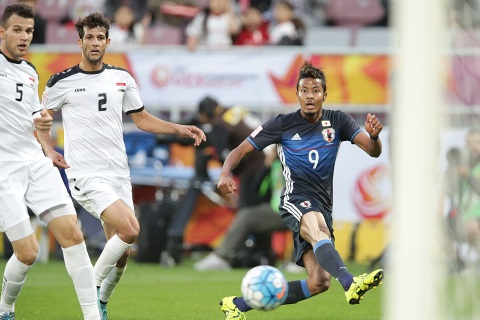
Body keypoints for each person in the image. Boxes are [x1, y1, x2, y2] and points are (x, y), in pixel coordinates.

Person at [36, 12, 206, 320]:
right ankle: (89, 296)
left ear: (108, 41)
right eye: (89, 37)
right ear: (80, 41)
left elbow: (142, 119)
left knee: (122, 253)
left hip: (118, 173)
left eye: (100, 37)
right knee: (130, 229)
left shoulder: (122, 78)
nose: (95, 43)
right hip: (85, 174)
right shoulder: (61, 82)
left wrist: (180, 128)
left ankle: (100, 302)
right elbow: (41, 121)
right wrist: (48, 149)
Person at [216, 61, 385, 319]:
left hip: (323, 204)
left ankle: (237, 305)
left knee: (319, 282)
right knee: (319, 230)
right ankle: (351, 283)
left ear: (324, 95)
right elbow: (240, 150)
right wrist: (225, 172)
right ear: (297, 94)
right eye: (304, 90)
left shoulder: (338, 121)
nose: (309, 96)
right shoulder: (281, 124)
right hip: (295, 198)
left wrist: (374, 138)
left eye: (315, 90)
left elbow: (373, 152)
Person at [0, 4, 100, 320]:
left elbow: (34, 117)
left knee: (73, 234)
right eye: (17, 30)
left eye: (28, 31)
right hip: (4, 169)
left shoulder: (30, 72)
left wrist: (47, 143)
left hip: (36, 161)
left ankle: (92, 316)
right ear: (2, 32)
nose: (24, 36)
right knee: (27, 253)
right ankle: (5, 308)